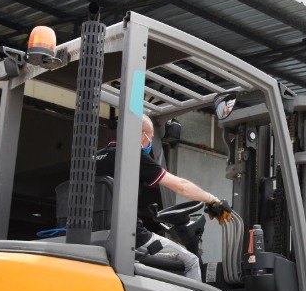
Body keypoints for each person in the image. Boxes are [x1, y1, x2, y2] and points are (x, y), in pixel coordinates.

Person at [95, 115, 232, 282]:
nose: (149, 145)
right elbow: (180, 186)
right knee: (191, 261)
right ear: (140, 133)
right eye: (149, 138)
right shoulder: (133, 155)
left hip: (95, 235)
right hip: (132, 238)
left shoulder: (95, 158)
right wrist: (211, 199)